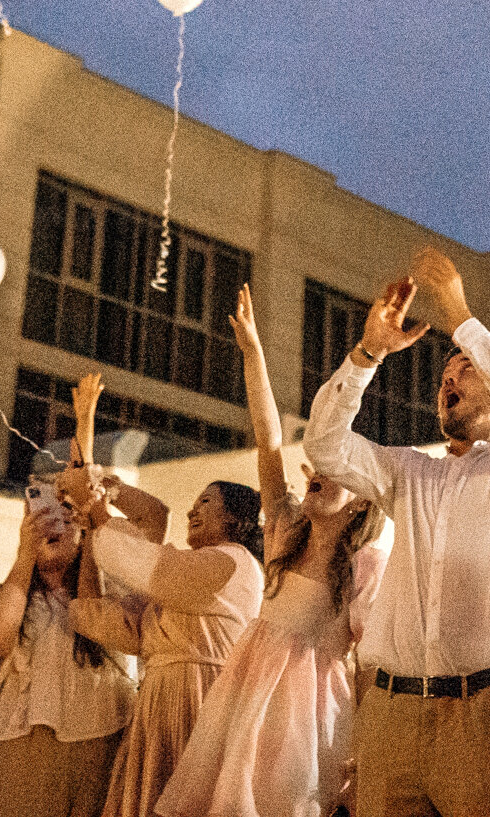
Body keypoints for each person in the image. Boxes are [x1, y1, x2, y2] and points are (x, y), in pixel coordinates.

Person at [305, 245, 490, 817]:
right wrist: (368, 352)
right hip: (391, 716)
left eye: (466, 368)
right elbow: (323, 445)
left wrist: (460, 315)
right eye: (445, 373)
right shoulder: (410, 472)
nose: (450, 375)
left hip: (486, 713)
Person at [159, 284, 384, 817]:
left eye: (338, 473)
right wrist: (254, 352)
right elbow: (267, 439)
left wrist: (368, 749)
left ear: (361, 504)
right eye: (318, 468)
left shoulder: (363, 566)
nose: (318, 475)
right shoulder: (284, 531)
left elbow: (372, 665)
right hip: (244, 695)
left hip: (307, 716)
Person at [60, 370, 268, 817]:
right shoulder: (190, 578)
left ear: (237, 519)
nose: (193, 511)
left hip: (199, 701)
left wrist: (96, 504)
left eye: (207, 503)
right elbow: (128, 623)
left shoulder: (232, 562)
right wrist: (102, 485)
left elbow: (144, 559)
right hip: (161, 701)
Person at [0, 491, 134, 817]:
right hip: (20, 749)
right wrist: (25, 556)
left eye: (66, 514)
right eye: (40, 515)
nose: (52, 523)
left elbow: (95, 623)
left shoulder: (114, 593)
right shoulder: (11, 599)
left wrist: (93, 539)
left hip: (99, 746)